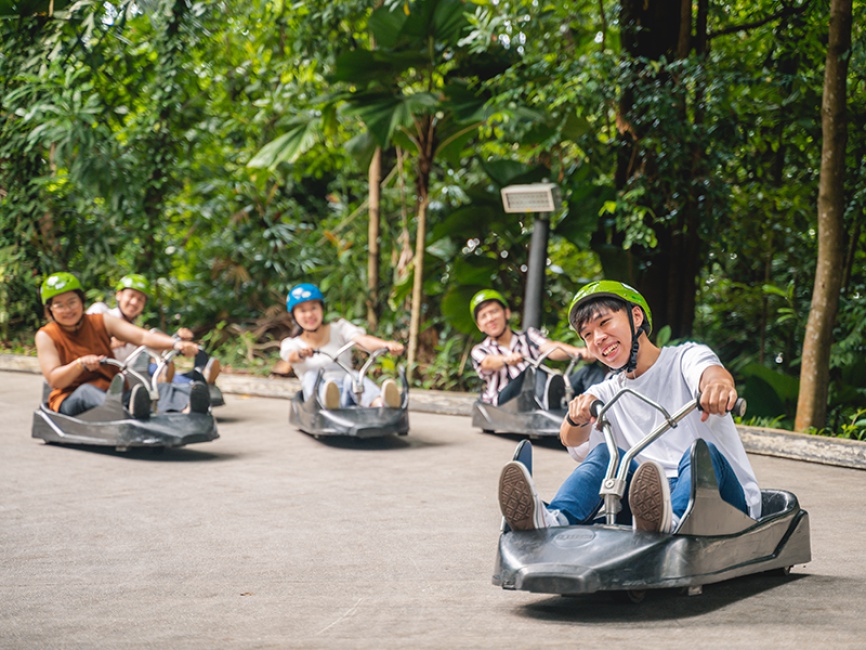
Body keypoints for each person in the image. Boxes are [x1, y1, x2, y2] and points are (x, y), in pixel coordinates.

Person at [497, 280, 761, 534]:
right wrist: (577, 417)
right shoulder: (608, 390)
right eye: (587, 334)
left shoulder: (685, 358)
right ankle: (554, 519)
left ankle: (674, 521)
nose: (598, 338)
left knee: (700, 454)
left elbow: (711, 373)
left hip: (725, 501)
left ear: (635, 317)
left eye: (605, 323)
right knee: (603, 456)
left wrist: (717, 387)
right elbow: (569, 437)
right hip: (648, 501)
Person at [35, 272, 210, 419]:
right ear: (50, 309)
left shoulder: (101, 321)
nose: (67, 310)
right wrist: (79, 364)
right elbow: (54, 379)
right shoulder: (46, 335)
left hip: (112, 392)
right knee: (87, 391)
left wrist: (176, 344)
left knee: (161, 388)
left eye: (72, 302)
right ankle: (135, 413)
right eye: (59, 305)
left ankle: (188, 409)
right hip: (70, 398)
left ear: (81, 302)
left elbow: (142, 336)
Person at [279, 283, 404, 409]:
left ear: (322, 309)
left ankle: (382, 405)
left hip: (347, 392)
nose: (309, 315)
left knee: (354, 377)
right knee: (311, 376)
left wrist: (386, 345)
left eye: (313, 308)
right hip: (317, 398)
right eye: (303, 311)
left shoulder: (339, 329)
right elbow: (291, 357)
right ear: (294, 316)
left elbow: (362, 340)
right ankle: (327, 404)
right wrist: (302, 353)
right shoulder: (292, 344)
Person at [469, 289, 599, 410]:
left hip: (541, 390)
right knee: (533, 370)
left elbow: (550, 348)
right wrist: (506, 359)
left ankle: (598, 411)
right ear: (479, 326)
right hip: (505, 400)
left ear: (506, 313)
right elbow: (488, 363)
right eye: (484, 316)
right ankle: (546, 407)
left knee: (590, 371)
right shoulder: (480, 350)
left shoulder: (528, 336)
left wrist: (579, 352)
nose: (490, 318)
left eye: (494, 312)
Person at [87, 274, 221, 385]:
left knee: (154, 366)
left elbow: (151, 343)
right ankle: (178, 380)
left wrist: (178, 340)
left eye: (140, 299)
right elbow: (82, 342)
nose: (134, 302)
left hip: (135, 371)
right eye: (131, 296)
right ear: (119, 295)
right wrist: (110, 344)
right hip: (109, 375)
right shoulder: (101, 312)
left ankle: (197, 378)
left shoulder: (137, 331)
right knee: (147, 371)